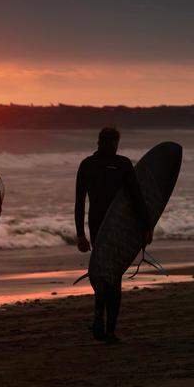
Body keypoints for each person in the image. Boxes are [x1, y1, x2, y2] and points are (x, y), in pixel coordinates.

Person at [75, 127, 152, 343]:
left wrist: (81, 234)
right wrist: (146, 227)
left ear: (99, 140)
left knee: (103, 273)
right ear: (114, 142)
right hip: (116, 226)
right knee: (112, 275)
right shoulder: (121, 164)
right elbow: (137, 199)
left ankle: (101, 320)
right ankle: (108, 328)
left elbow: (79, 203)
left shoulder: (89, 165)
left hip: (99, 225)